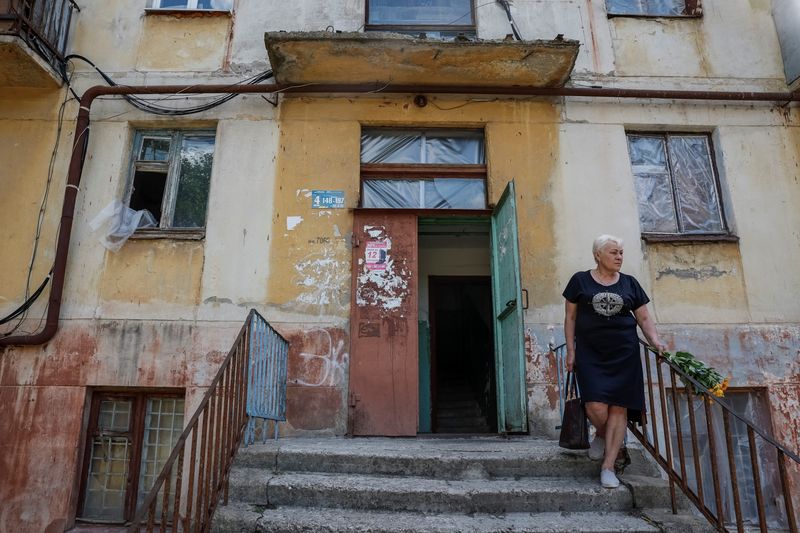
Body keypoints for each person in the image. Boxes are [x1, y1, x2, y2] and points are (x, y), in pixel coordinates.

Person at [562, 234, 667, 489]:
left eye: (621, 252)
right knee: (595, 406)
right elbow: (571, 318)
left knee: (619, 407)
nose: (619, 257)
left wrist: (656, 341)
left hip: (624, 353)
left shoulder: (630, 284)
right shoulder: (580, 280)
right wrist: (571, 351)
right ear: (598, 255)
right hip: (591, 353)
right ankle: (601, 432)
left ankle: (608, 466)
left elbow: (643, 318)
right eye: (613, 252)